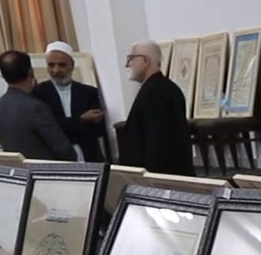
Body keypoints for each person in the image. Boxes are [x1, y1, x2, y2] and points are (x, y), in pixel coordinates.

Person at [118, 39, 193, 175]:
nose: (127, 64)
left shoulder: (153, 92)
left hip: (160, 177)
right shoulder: (165, 87)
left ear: (145, 61)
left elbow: (156, 142)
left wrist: (151, 178)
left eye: (130, 59)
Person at [0, 50, 74, 161]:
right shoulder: (36, 108)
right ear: (30, 72)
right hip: (45, 169)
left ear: (3, 76)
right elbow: (63, 149)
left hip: (19, 169)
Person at [31, 41, 107, 162]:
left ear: (72, 65)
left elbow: (97, 130)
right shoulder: (38, 93)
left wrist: (63, 126)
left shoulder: (89, 92)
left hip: (89, 156)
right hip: (56, 158)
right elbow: (46, 129)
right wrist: (81, 119)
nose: (56, 70)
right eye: (51, 65)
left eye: (61, 65)